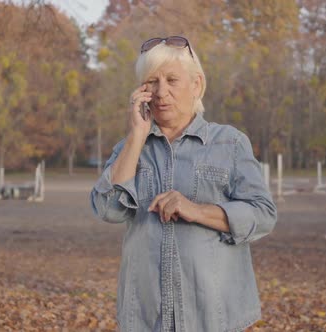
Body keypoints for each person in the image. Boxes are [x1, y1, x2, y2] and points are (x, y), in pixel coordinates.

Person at [90, 36, 277, 332]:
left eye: (172, 80)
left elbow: (264, 215)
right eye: (152, 81)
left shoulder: (230, 142)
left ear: (197, 85)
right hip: (146, 318)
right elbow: (107, 210)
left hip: (214, 317)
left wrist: (197, 210)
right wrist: (138, 135)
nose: (161, 91)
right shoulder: (129, 148)